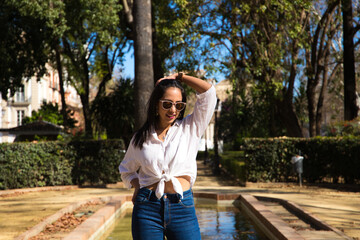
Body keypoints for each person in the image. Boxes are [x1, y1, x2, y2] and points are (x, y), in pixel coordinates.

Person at [119, 72, 217, 240]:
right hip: (147, 209)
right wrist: (137, 186)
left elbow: (209, 94)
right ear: (156, 105)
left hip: (182, 207)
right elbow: (126, 169)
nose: (173, 110)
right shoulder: (140, 137)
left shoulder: (190, 128)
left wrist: (180, 77)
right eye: (167, 104)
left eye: (178, 105)